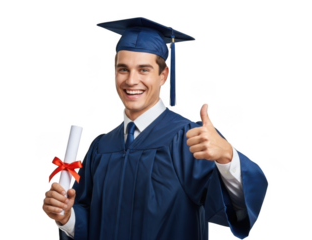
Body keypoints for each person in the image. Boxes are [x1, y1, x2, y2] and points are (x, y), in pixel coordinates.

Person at [42, 17, 268, 240]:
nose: (131, 80)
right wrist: (67, 217)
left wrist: (227, 156)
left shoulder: (190, 139)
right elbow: (93, 222)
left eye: (143, 70)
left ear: (164, 76)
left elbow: (237, 211)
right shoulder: (101, 148)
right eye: (123, 69)